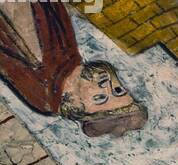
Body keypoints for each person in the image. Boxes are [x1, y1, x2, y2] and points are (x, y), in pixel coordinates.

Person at [0, 3, 145, 136]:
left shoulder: (43, 72)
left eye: (99, 98)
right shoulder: (67, 65)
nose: (106, 85)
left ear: (74, 104)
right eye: (118, 90)